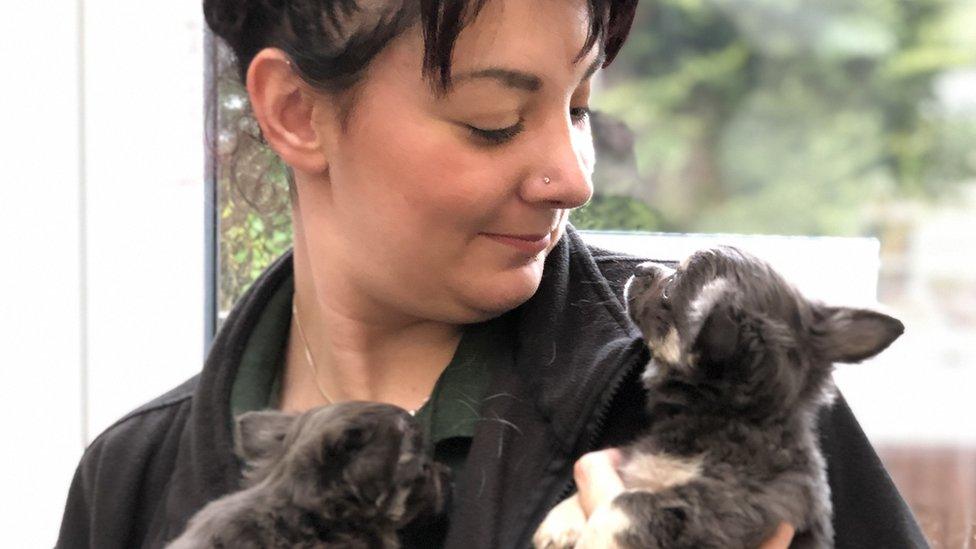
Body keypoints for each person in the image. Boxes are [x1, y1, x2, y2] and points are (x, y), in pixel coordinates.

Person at [56, 1, 928, 547]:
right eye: (494, 120)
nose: (576, 176)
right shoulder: (131, 480)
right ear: (295, 113)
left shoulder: (732, 390)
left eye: (580, 105)